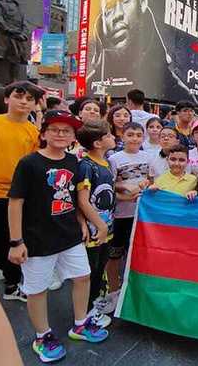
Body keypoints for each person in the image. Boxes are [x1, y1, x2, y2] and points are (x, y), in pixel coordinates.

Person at [7, 110, 108, 363]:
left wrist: (82, 222)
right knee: (37, 289)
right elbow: (15, 203)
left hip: (69, 234)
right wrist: (16, 241)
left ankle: (80, 324)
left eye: (67, 130)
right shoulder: (29, 163)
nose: (61, 134)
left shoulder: (74, 162)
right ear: (43, 134)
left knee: (82, 277)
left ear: (74, 136)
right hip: (37, 239)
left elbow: (75, 199)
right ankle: (42, 336)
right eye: (54, 129)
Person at [86, 0, 197, 103]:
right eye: (109, 8)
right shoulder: (89, 87)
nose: (117, 14)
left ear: (143, 2)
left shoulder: (177, 92)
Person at [0, 81, 44, 302]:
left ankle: (12, 285)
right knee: (0, 238)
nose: (24, 102)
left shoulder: (33, 131)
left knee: (15, 239)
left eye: (29, 99)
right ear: (7, 99)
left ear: (34, 105)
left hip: (19, 196)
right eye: (18, 96)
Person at [102, 122, 150, 314]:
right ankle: (113, 291)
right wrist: (126, 190)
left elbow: (153, 180)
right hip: (120, 214)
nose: (134, 139)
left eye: (138, 135)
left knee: (136, 255)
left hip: (142, 215)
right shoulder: (114, 159)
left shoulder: (148, 157)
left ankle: (133, 291)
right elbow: (109, 185)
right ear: (122, 137)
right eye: (130, 135)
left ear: (143, 137)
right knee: (114, 255)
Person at [75, 120, 117, 329]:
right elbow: (83, 201)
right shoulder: (86, 166)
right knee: (90, 271)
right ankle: (86, 311)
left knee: (101, 267)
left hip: (107, 227)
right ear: (97, 143)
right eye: (108, 135)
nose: (113, 137)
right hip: (94, 231)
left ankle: (94, 304)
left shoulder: (106, 163)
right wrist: (100, 225)